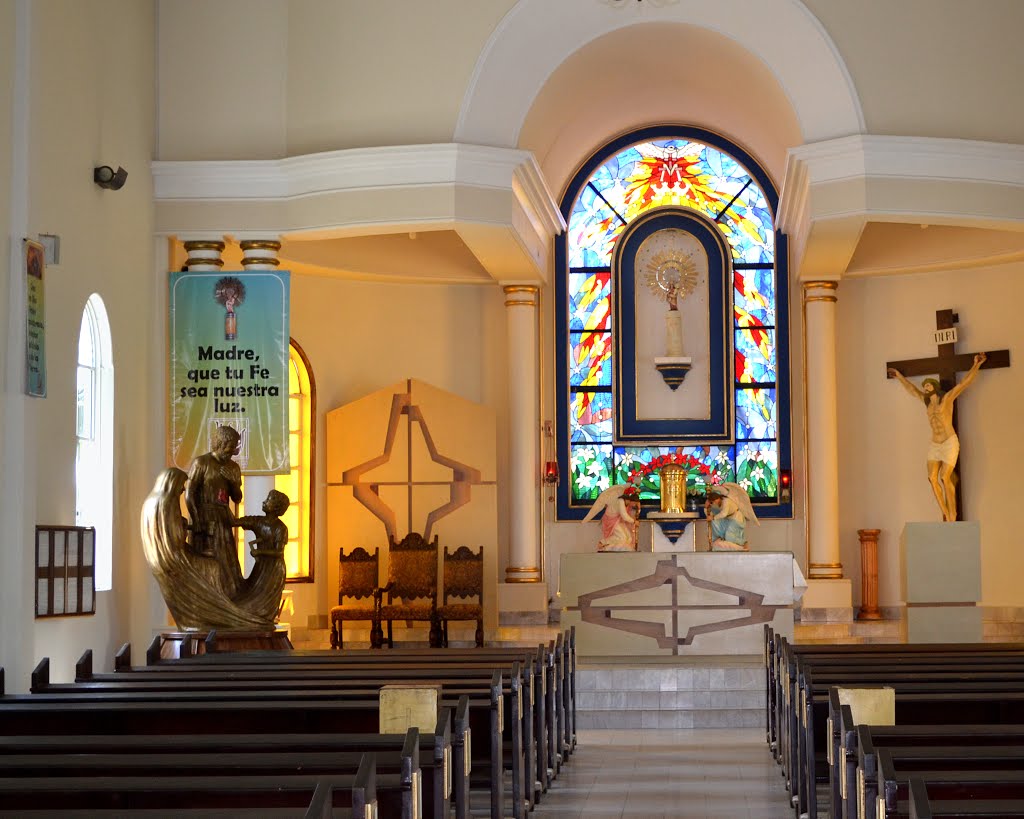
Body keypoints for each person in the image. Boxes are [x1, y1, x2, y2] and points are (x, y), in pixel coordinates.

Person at [888, 352, 986, 522]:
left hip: (949, 442)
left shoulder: (946, 399)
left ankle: (952, 515)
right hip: (935, 444)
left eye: (927, 386)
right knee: (932, 478)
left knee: (944, 477)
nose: (924, 388)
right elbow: (912, 389)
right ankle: (945, 513)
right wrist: (899, 376)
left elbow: (964, 383)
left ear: (934, 387)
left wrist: (976, 364)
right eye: (924, 386)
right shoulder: (927, 403)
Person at [186, 425, 244, 597]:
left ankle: (228, 594)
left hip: (222, 517)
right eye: (230, 445)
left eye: (234, 446)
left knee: (226, 558)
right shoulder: (201, 463)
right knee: (205, 558)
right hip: (203, 516)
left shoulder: (233, 467)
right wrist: (196, 520)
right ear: (220, 442)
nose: (232, 450)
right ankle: (205, 596)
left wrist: (234, 483)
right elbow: (190, 493)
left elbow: (237, 498)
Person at [233, 489, 290, 624]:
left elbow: (279, 552)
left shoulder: (280, 528)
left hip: (274, 570)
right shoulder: (258, 521)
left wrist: (260, 552)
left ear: (276, 507)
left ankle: (259, 620)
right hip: (261, 567)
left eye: (268, 500)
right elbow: (237, 522)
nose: (264, 502)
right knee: (249, 595)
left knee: (261, 602)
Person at [583, 485, 640, 551]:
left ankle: (612, 546)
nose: (632, 505)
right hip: (611, 520)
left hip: (616, 520)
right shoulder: (620, 501)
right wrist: (634, 521)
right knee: (622, 537)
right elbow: (624, 516)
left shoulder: (623, 502)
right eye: (633, 504)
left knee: (628, 538)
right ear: (630, 500)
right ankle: (604, 542)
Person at [704, 483, 758, 551]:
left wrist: (713, 517)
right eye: (711, 502)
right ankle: (720, 539)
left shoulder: (726, 501)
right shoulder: (717, 504)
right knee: (715, 523)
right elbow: (710, 515)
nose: (713, 503)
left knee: (729, 537)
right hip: (728, 519)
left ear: (717, 498)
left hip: (736, 518)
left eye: (713, 501)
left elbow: (724, 514)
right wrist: (706, 507)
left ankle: (743, 544)